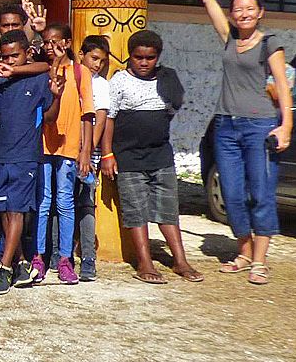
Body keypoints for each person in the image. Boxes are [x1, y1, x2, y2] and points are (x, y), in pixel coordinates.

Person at [179, 0, 292, 285]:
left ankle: (260, 259)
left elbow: (283, 87)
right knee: (230, 191)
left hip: (260, 126)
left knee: (260, 190)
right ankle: (243, 250)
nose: (243, 13)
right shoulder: (229, 36)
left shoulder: (270, 43)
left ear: (260, 13)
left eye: (249, 9)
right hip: (225, 126)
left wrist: (286, 126)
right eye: (238, 9)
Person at [101, 30, 204, 285]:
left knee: (168, 209)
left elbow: (171, 109)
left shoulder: (167, 79)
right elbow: (109, 120)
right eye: (139, 57)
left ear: (158, 57)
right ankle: (144, 261)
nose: (144, 62)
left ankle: (180, 260)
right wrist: (107, 154)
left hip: (160, 155)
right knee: (135, 210)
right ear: (130, 56)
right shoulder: (119, 82)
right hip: (128, 157)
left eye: (150, 57)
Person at [0, 32, 54, 295]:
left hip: (25, 156)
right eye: (6, 56)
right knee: (4, 211)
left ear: (27, 54)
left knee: (17, 210)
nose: (10, 61)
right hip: (2, 156)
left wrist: (56, 92)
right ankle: (20, 263)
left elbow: (50, 115)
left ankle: (3, 267)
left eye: (15, 56)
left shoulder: (40, 78)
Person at [31, 23, 94, 286]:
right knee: (43, 203)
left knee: (65, 202)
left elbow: (87, 114)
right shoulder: (40, 70)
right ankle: (38, 257)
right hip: (42, 145)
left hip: (68, 146)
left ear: (67, 43)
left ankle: (65, 259)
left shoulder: (80, 73)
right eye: (45, 42)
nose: (50, 47)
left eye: (55, 42)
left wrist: (85, 151)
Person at [75, 35, 112, 281]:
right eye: (93, 58)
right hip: (66, 150)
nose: (97, 64)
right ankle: (61, 254)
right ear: (81, 55)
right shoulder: (72, 78)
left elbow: (100, 118)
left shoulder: (100, 85)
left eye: (102, 60)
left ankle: (88, 257)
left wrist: (88, 149)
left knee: (87, 203)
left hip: (89, 152)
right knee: (61, 202)